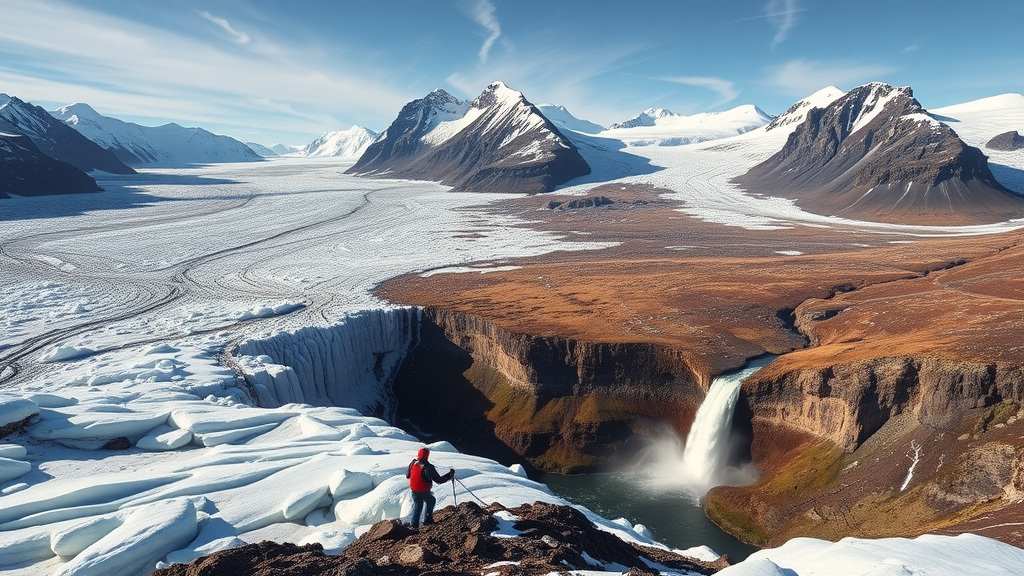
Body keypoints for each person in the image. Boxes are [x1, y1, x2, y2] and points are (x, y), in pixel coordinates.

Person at [406, 447, 454, 529]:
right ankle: (427, 521)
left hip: (414, 490)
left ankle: (414, 524)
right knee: (431, 501)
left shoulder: (413, 463)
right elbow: (439, 480)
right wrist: (450, 475)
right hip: (424, 490)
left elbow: (407, 475)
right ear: (427, 456)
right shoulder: (428, 467)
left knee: (418, 505)